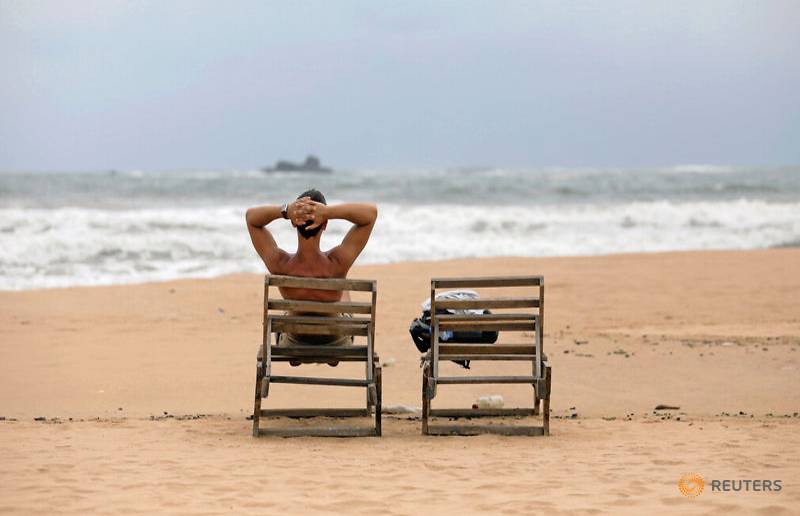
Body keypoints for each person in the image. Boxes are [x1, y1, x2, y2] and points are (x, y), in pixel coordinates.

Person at [245, 189, 377, 358]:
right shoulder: (337, 263)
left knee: (290, 313)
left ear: (294, 223)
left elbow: (251, 218)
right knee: (343, 286)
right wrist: (328, 212)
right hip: (335, 342)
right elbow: (371, 214)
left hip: (294, 341)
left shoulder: (281, 264)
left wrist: (286, 211)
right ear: (325, 224)